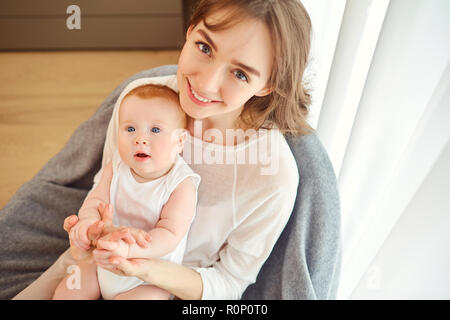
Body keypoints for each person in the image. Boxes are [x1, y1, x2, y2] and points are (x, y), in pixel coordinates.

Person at [6, 0, 341, 300]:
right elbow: (108, 186)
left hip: (166, 286)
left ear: (268, 84)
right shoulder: (141, 99)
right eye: (204, 47)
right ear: (190, 30)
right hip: (98, 261)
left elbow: (228, 284)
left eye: (239, 73)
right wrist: (94, 230)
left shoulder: (272, 176)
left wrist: (143, 268)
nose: (205, 83)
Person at [52, 83, 201, 299]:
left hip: (148, 275)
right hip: (101, 260)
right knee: (69, 290)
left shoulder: (181, 184)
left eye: (155, 130)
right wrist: (88, 224)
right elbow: (96, 201)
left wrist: (129, 251)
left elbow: (170, 235)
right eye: (130, 129)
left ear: (179, 141)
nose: (140, 138)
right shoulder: (117, 166)